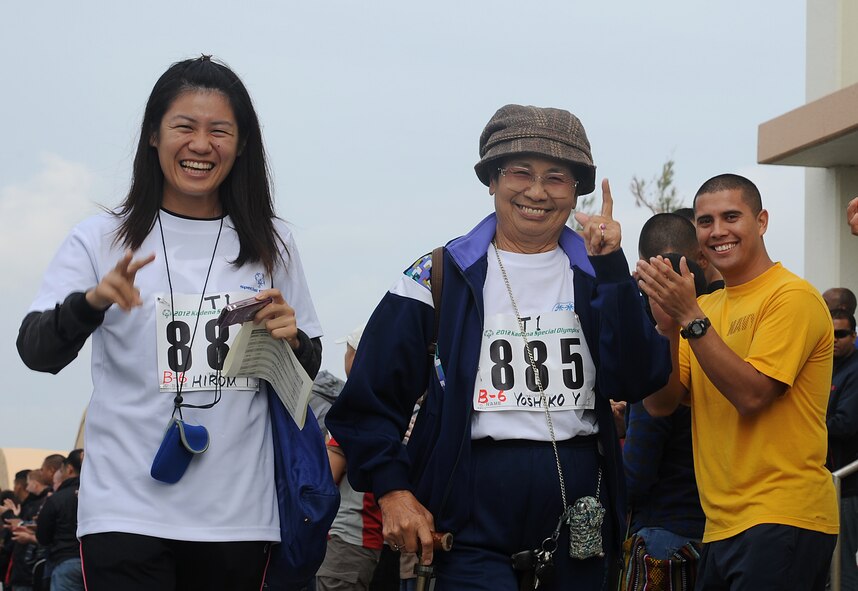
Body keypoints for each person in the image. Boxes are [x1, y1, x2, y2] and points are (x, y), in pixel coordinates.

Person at [327, 104, 670, 590]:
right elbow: (367, 403)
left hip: (579, 514)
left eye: (556, 177)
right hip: (467, 513)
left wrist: (614, 269)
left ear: (576, 191)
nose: (536, 191)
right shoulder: (436, 277)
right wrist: (392, 489)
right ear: (491, 180)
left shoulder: (599, 276)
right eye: (520, 172)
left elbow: (639, 380)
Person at [17, 55, 322, 591]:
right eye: (184, 126)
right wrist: (90, 304)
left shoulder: (273, 244)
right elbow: (37, 351)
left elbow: (308, 372)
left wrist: (292, 338)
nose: (201, 145)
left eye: (219, 130)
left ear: (242, 144)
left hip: (240, 517)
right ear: (153, 136)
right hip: (124, 513)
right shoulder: (100, 239)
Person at [637, 173, 838, 590]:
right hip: (720, 524)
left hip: (782, 516)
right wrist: (667, 330)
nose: (718, 231)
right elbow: (661, 404)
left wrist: (689, 318)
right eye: (705, 221)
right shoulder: (707, 306)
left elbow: (752, 394)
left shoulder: (792, 296)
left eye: (732, 216)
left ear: (761, 221)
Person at [622, 213, 705, 565]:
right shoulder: (720, 323)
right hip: (717, 526)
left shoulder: (658, 336)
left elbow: (637, 472)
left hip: (666, 532)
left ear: (642, 267)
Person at [317, 326, 385, 591]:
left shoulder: (354, 407)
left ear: (356, 358)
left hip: (345, 538)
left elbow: (326, 480)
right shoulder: (387, 404)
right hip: (368, 539)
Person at [827, 310, 858, 590]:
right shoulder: (828, 366)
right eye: (831, 333)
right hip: (829, 483)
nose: (834, 339)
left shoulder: (855, 370)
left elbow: (846, 423)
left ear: (853, 336)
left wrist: (805, 423)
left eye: (841, 334)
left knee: (843, 567)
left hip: (846, 484)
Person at [36, 450, 84, 591]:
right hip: (93, 561)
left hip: (65, 561)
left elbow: (43, 537)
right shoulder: (96, 495)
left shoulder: (57, 499)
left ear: (69, 469)